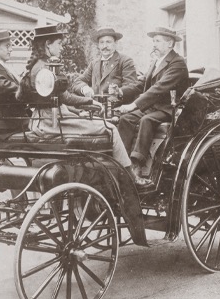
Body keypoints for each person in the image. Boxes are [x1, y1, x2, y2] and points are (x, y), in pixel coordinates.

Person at [16, 25, 147, 185]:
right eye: (59, 43)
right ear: (48, 45)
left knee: (105, 124)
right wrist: (90, 101)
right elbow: (65, 97)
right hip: (55, 121)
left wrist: (86, 106)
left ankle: (104, 175)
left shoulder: (38, 66)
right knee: (110, 130)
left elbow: (132, 85)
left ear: (115, 44)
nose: (61, 47)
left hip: (44, 119)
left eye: (109, 42)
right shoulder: (46, 69)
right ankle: (128, 177)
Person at [117, 27, 189, 181]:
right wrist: (121, 92)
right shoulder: (157, 61)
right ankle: (121, 163)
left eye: (157, 41)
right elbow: (141, 83)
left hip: (170, 108)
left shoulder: (178, 63)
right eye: (153, 41)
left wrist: (134, 104)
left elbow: (159, 88)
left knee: (146, 120)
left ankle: (137, 165)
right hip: (153, 107)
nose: (154, 44)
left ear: (170, 43)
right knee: (126, 119)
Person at [0, 30, 29, 142]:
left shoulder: (2, 69)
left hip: (18, 123)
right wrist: (29, 88)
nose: (11, 49)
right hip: (7, 129)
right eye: (7, 46)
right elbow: (6, 87)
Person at [72, 27, 138, 104]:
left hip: (116, 108)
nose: (104, 46)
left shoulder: (125, 61)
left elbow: (131, 87)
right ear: (98, 45)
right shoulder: (94, 63)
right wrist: (84, 88)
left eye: (108, 42)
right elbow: (78, 81)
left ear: (115, 43)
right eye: (101, 42)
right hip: (96, 107)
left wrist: (118, 91)